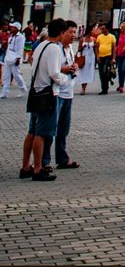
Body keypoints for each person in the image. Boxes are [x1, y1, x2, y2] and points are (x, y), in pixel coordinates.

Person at [20, 17, 70, 182]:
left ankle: (25, 166)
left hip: (35, 92)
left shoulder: (40, 45)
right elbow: (54, 73)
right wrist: (65, 79)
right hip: (47, 95)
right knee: (42, 133)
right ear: (62, 32)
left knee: (32, 131)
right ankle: (38, 169)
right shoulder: (55, 49)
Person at [43, 20, 80, 171]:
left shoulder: (70, 48)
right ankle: (44, 161)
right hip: (57, 93)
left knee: (63, 129)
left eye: (74, 32)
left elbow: (71, 63)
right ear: (62, 33)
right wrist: (63, 69)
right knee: (51, 128)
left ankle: (62, 158)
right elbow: (52, 69)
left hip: (69, 92)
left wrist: (75, 66)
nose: (73, 35)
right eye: (70, 32)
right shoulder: (55, 48)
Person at [1, 22, 27, 98]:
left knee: (16, 75)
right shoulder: (11, 36)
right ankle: (4, 93)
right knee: (6, 76)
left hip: (15, 58)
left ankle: (22, 89)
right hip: (8, 57)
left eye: (12, 27)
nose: (11, 28)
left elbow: (20, 48)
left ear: (16, 28)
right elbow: (9, 46)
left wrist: (18, 58)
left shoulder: (21, 37)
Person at [94, 24, 116, 95]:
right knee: (101, 73)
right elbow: (97, 47)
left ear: (107, 29)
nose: (102, 30)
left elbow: (114, 48)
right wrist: (97, 56)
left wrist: (113, 58)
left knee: (104, 71)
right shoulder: (99, 37)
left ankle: (105, 87)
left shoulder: (112, 37)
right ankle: (104, 88)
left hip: (108, 56)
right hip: (100, 56)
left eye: (103, 28)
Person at [77, 30, 96, 94]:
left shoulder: (93, 39)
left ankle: (85, 86)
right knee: (83, 71)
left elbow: (95, 49)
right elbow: (79, 49)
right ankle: (83, 87)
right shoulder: (82, 39)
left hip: (91, 56)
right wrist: (83, 47)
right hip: (84, 56)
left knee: (88, 71)